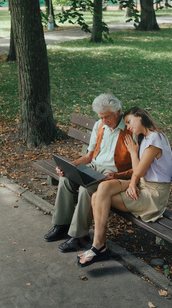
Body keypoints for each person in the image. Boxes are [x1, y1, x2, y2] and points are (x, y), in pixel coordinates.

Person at [77, 106, 172, 267]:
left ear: (140, 116)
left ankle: (98, 247)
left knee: (97, 197)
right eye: (126, 123)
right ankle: (99, 246)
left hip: (153, 195)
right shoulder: (146, 137)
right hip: (143, 185)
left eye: (129, 122)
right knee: (104, 189)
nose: (127, 127)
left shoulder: (155, 140)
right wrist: (133, 181)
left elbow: (139, 171)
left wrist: (132, 153)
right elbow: (139, 173)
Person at [44, 93, 133, 253]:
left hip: (113, 174)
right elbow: (89, 156)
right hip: (93, 166)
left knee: (86, 189)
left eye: (107, 117)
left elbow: (139, 166)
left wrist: (120, 176)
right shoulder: (100, 125)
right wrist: (69, 166)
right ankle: (62, 225)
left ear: (118, 111)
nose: (104, 121)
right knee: (65, 179)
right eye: (101, 117)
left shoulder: (130, 129)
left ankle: (79, 236)